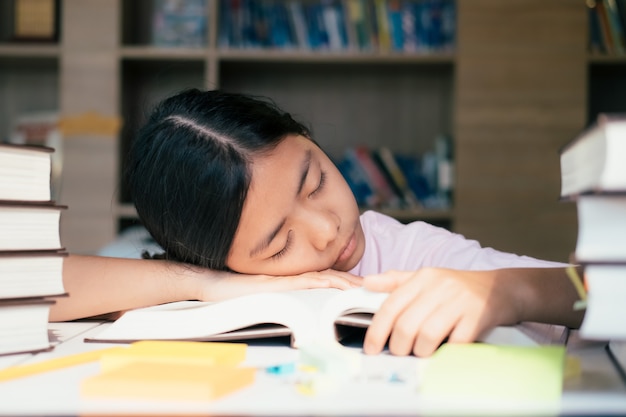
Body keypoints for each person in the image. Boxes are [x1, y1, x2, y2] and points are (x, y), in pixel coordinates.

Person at [50, 89, 584, 357]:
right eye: (279, 245)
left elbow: (593, 292)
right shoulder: (200, 280)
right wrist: (207, 283)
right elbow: (27, 288)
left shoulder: (402, 251)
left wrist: (506, 291)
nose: (327, 229)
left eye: (317, 181)